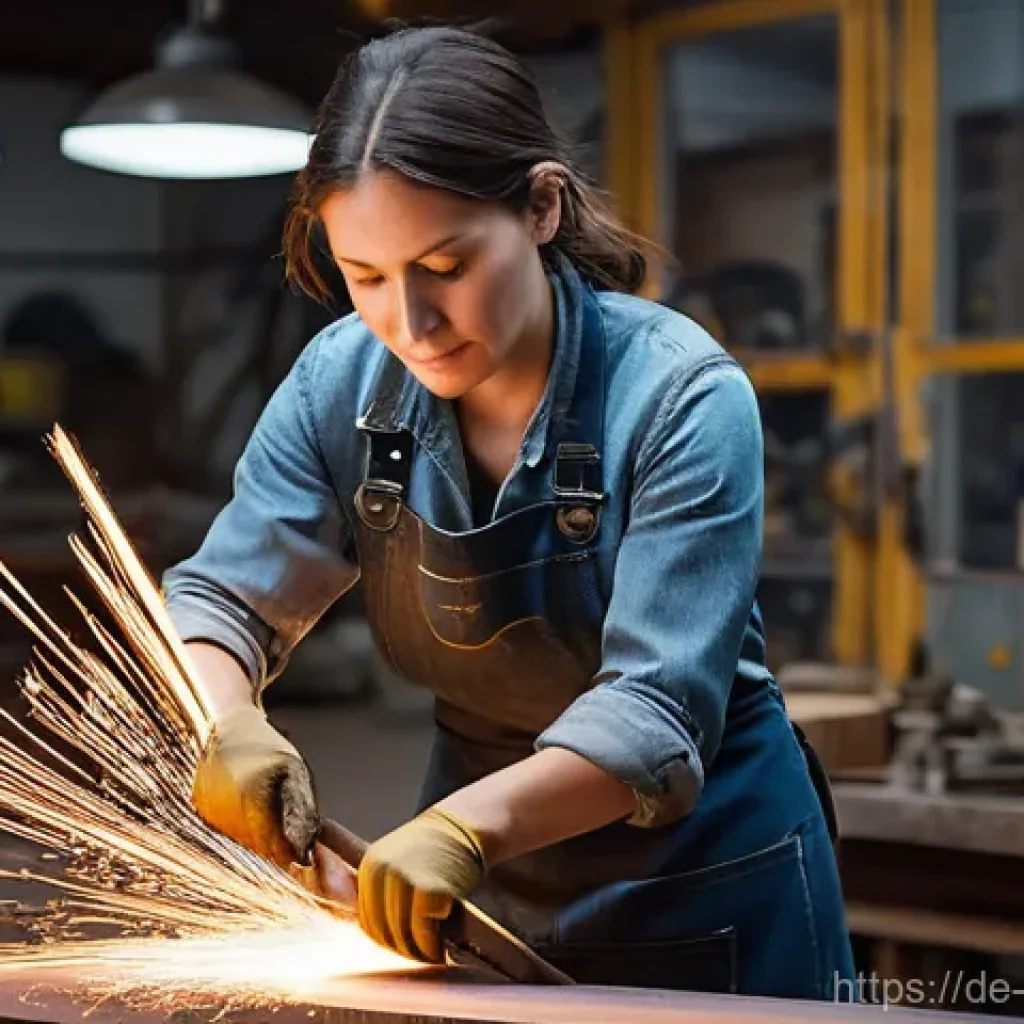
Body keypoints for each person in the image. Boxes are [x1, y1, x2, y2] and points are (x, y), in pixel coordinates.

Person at [163, 24, 856, 1000]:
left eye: (444, 267)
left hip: (709, 887)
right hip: (475, 886)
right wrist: (225, 719)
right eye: (365, 277)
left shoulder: (679, 394)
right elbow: (223, 596)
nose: (409, 323)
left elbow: (654, 710)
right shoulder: (342, 384)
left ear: (539, 205)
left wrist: (462, 828)